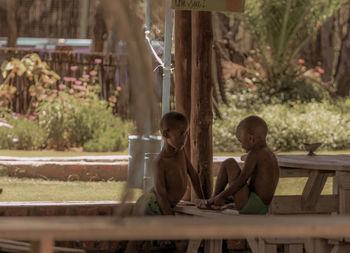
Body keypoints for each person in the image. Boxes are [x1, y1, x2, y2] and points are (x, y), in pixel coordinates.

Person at [125, 111, 205, 252]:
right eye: (181, 133)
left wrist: (203, 200)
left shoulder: (181, 152)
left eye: (186, 133)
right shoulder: (160, 163)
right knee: (137, 240)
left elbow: (193, 175)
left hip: (164, 206)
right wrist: (170, 220)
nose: (185, 138)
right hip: (150, 205)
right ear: (166, 134)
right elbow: (161, 194)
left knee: (180, 242)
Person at [198, 115, 279, 214]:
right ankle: (217, 199)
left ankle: (214, 200)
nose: (241, 146)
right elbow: (253, 184)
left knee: (229, 163)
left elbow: (240, 181)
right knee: (230, 167)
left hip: (252, 205)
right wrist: (231, 197)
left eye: (241, 141)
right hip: (263, 207)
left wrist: (221, 196)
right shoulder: (269, 154)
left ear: (250, 139)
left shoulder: (255, 153)